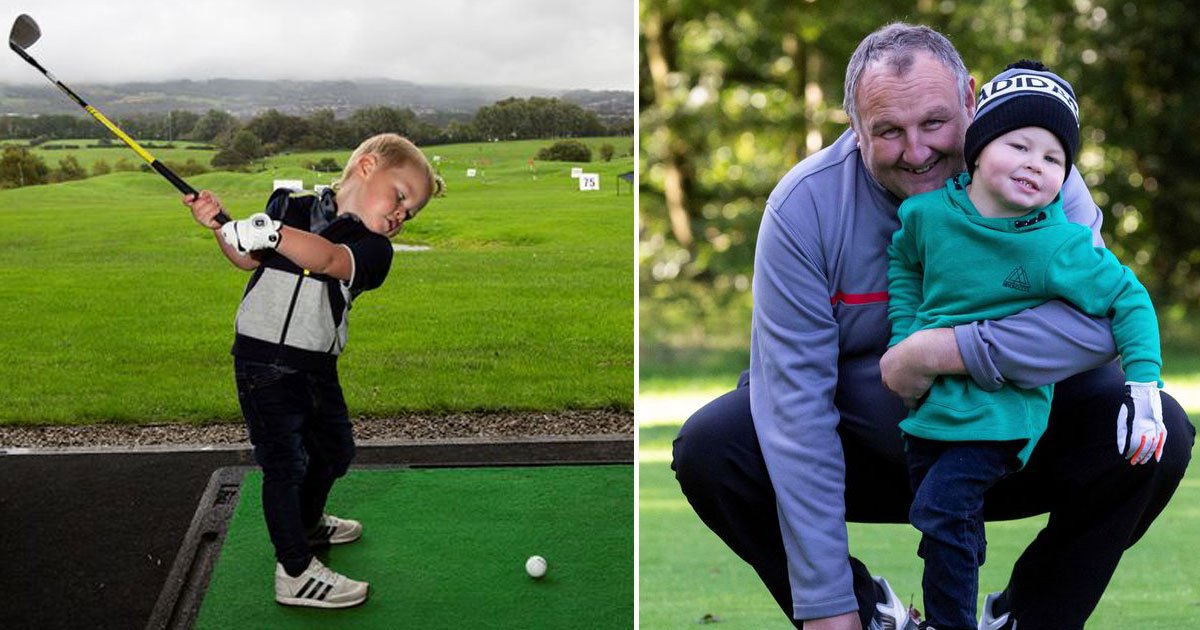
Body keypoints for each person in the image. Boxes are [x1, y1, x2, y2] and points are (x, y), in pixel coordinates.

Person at [670, 22, 1194, 630]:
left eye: (935, 124)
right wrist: (828, 607)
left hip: (1011, 442)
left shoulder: (1038, 173)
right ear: (853, 125)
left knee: (1156, 434)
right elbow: (795, 407)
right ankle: (873, 618)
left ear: (972, 100)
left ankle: (1027, 618)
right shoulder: (803, 208)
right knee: (714, 446)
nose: (916, 152)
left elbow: (1102, 322)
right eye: (888, 131)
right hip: (874, 455)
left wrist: (950, 349)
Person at [888, 60, 1166, 630]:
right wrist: (906, 345)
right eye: (1019, 145)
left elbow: (1129, 299)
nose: (1034, 165)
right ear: (979, 147)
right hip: (930, 412)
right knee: (947, 528)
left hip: (1002, 412)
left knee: (940, 509)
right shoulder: (925, 215)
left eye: (1053, 159)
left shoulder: (1057, 244)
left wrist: (1144, 386)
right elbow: (906, 271)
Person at [185, 133, 442, 608]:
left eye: (412, 212)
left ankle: (308, 520)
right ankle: (296, 572)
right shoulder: (292, 208)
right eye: (401, 196)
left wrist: (271, 233)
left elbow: (325, 259)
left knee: (335, 450)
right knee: (286, 464)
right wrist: (219, 225)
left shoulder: (372, 249)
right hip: (262, 361)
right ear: (366, 166)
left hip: (315, 364)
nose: (403, 214)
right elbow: (247, 258)